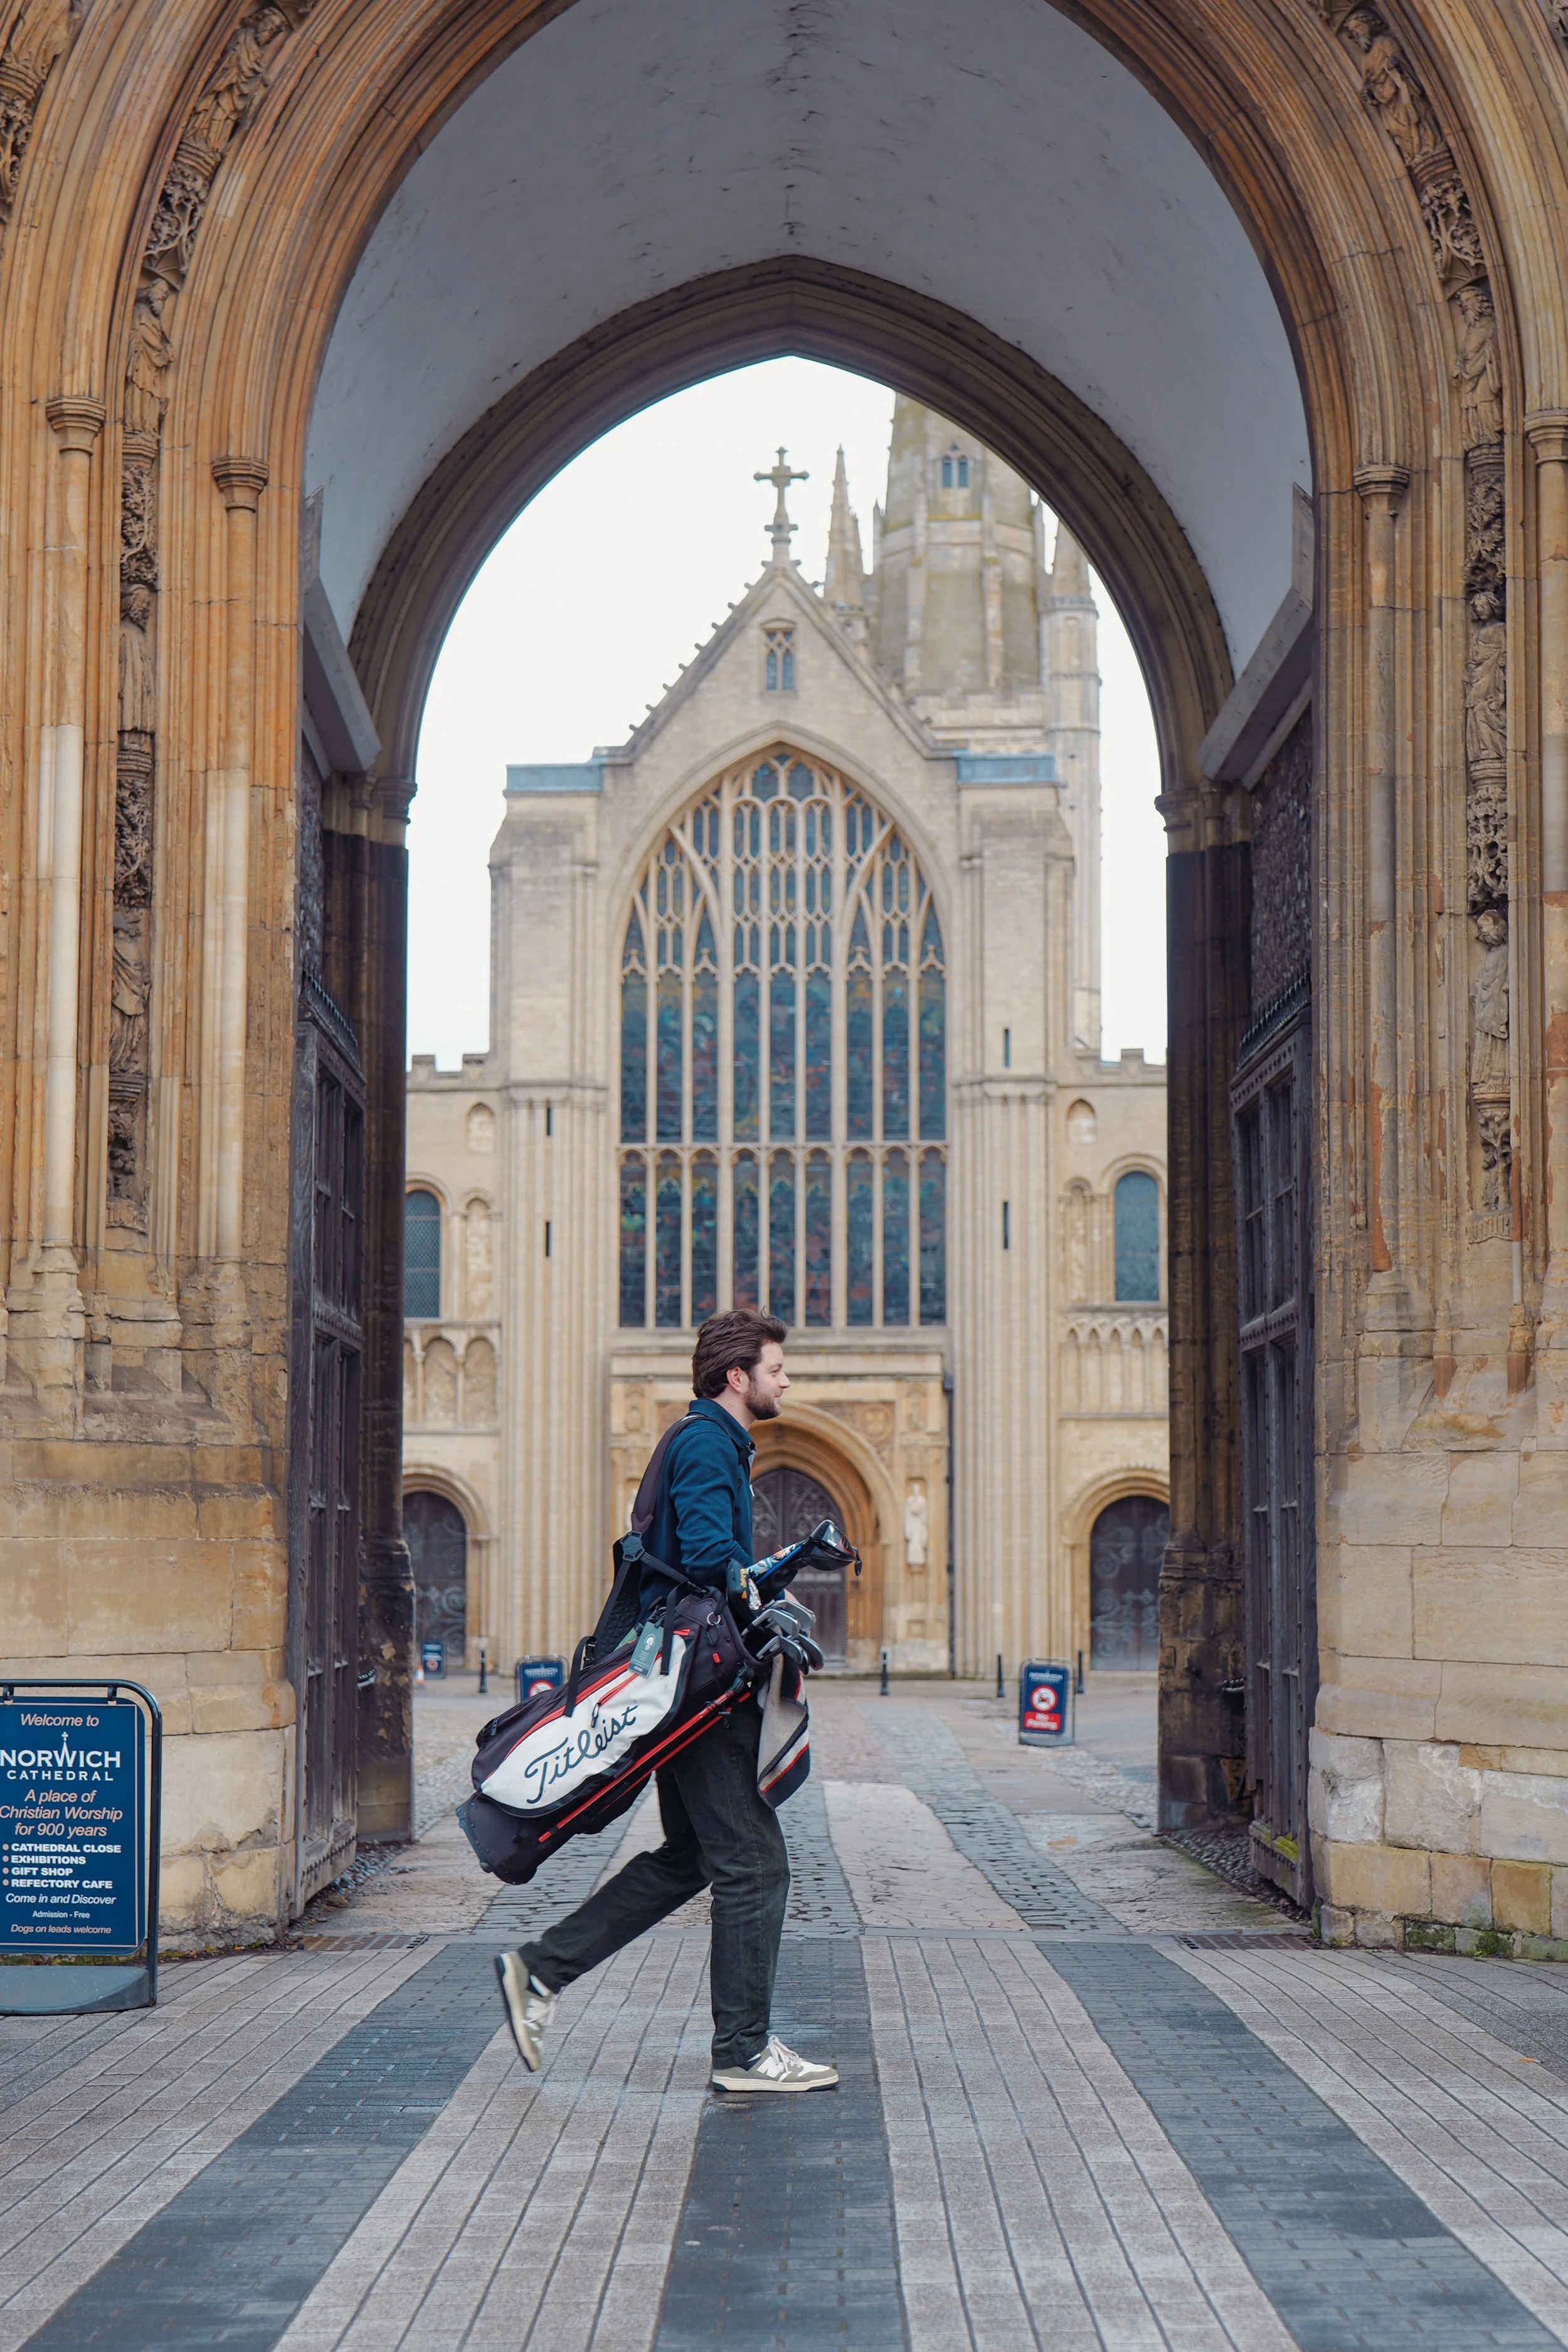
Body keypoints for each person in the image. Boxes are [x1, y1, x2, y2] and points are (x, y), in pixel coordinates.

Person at [494, 1308, 838, 2094]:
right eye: (776, 1368)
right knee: (755, 1864)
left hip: (683, 1682)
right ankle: (744, 2053)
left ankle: (539, 1972)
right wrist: (764, 1598)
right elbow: (714, 1559)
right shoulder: (710, 1442)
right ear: (736, 1376)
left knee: (693, 1857)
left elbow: (698, 1559)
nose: (787, 1380)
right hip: (700, 1694)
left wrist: (779, 1569)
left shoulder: (707, 1443)